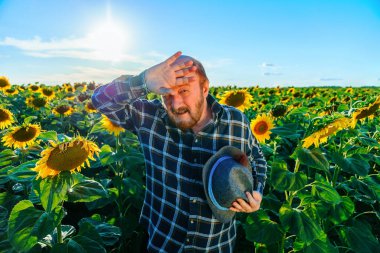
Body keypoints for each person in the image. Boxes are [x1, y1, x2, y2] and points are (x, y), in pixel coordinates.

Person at [91, 51, 267, 252]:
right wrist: (144, 80)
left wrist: (257, 191)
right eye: (167, 94)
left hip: (217, 245)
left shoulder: (236, 122)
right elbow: (100, 100)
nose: (175, 105)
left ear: (205, 88)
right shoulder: (149, 118)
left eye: (183, 91)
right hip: (163, 243)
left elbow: (257, 158)